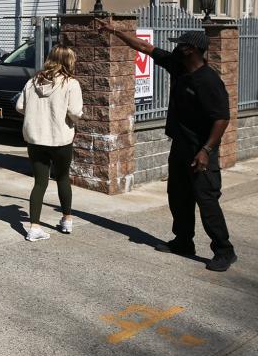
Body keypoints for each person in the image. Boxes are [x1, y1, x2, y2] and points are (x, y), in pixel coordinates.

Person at [98, 23, 236, 272]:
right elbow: (145, 47)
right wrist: (115, 32)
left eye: (181, 44)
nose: (177, 46)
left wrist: (206, 150)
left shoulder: (208, 81)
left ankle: (224, 250)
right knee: (178, 197)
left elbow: (222, 118)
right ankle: (184, 242)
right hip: (181, 147)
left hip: (201, 151)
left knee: (206, 201)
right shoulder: (178, 65)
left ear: (192, 49)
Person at [16, 45, 83, 241]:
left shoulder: (32, 82)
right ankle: (67, 219)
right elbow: (75, 113)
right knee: (62, 177)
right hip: (60, 139)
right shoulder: (71, 84)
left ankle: (34, 227)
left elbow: (20, 106)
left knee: (39, 182)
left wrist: (36, 114)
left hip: (36, 139)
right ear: (68, 61)